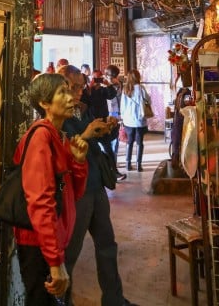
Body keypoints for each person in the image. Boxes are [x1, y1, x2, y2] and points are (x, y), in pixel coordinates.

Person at [59, 65, 138, 306]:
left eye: (80, 86)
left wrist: (109, 129)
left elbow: (99, 137)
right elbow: (65, 152)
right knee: (70, 253)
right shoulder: (57, 118)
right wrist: (87, 133)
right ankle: (63, 301)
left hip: (95, 186)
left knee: (107, 244)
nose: (78, 92)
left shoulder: (83, 110)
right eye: (72, 87)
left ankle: (114, 300)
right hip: (76, 191)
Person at [14, 72, 89, 305]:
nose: (70, 98)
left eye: (70, 91)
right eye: (62, 93)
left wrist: (78, 162)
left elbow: (72, 194)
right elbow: (40, 202)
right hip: (39, 246)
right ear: (45, 103)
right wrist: (55, 262)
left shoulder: (59, 136)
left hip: (53, 243)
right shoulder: (40, 138)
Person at [120, 69, 148, 172]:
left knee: (129, 141)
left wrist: (122, 117)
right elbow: (148, 99)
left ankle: (128, 164)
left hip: (128, 120)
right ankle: (138, 165)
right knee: (140, 142)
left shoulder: (125, 89)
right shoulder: (141, 88)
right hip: (139, 119)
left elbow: (122, 106)